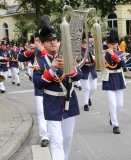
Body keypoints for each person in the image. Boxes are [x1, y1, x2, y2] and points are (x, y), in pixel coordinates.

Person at [33, 15, 82, 160]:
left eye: (54, 39)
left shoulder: (67, 56)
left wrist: (69, 68)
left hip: (69, 101)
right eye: (49, 41)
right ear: (43, 43)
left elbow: (78, 76)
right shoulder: (40, 62)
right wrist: (52, 70)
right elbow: (38, 83)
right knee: (56, 140)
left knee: (68, 138)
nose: (53, 43)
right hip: (52, 103)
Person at [18, 34, 50, 147]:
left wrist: (43, 50)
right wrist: (28, 51)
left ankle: (52, 132)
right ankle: (44, 136)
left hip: (53, 87)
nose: (38, 43)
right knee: (41, 112)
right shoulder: (35, 52)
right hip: (40, 87)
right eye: (36, 41)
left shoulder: (52, 51)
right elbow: (20, 58)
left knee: (52, 112)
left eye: (40, 41)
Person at [102, 27, 126, 134]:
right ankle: (115, 124)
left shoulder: (120, 53)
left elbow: (122, 64)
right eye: (112, 44)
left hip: (119, 78)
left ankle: (112, 115)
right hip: (108, 79)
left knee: (119, 104)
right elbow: (99, 66)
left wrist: (113, 54)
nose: (114, 46)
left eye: (115, 44)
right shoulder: (103, 54)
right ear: (108, 44)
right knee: (112, 103)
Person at [80, 35, 97, 111]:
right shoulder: (79, 52)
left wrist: (95, 59)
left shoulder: (91, 50)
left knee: (93, 88)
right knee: (86, 88)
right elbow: (78, 62)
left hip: (92, 70)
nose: (84, 44)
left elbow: (95, 58)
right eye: (83, 43)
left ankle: (88, 97)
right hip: (84, 71)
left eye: (85, 42)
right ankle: (85, 104)